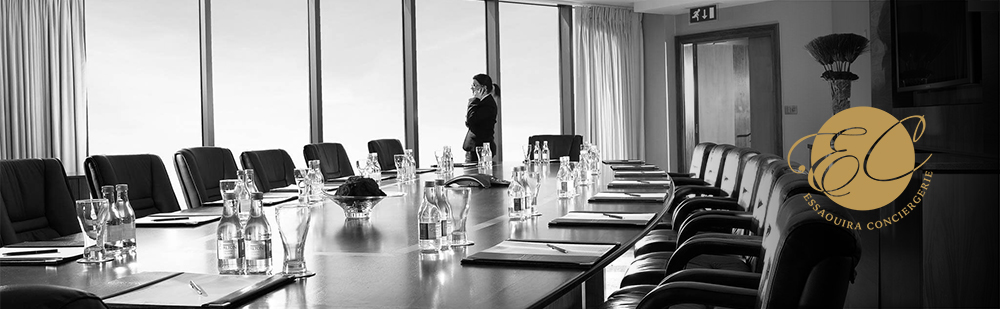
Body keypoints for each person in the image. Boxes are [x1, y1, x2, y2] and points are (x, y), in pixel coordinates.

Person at [463, 74, 499, 163]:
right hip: (474, 150)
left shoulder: (488, 104)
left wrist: (474, 100)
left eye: (475, 85)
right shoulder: (482, 103)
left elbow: (471, 120)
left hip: (480, 150)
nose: (472, 88)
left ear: (484, 88)